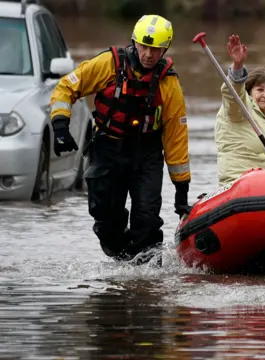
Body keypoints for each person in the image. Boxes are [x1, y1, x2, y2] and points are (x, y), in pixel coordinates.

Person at [49, 15, 191, 263]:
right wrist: (61, 125)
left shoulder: (168, 83)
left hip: (146, 155)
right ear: (135, 43)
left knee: (147, 220)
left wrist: (181, 191)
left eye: (156, 49)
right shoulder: (108, 64)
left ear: (164, 49)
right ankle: (125, 263)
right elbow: (66, 88)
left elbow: (176, 136)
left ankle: (145, 280)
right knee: (105, 218)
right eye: (144, 46)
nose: (148, 54)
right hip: (108, 149)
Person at [215, 34, 265, 187]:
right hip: (241, 184)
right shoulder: (238, 109)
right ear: (249, 91)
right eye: (260, 90)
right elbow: (232, 94)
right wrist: (237, 67)